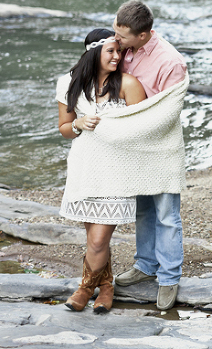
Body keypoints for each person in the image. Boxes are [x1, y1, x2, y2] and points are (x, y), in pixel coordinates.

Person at [56, 28, 147, 313]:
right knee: (94, 238)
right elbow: (64, 129)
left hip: (117, 171)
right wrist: (78, 125)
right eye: (111, 51)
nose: (118, 56)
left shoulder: (128, 85)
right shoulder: (68, 83)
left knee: (98, 239)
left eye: (120, 51)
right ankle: (106, 287)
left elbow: (145, 131)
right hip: (84, 168)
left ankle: (84, 289)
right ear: (94, 53)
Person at [111, 0, 188, 311]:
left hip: (162, 147)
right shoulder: (123, 48)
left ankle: (169, 278)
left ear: (144, 35)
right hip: (134, 147)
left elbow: (168, 114)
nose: (117, 40)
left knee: (167, 216)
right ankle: (146, 266)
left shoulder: (171, 63)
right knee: (142, 210)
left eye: (123, 36)